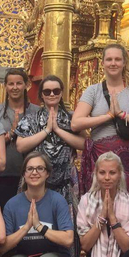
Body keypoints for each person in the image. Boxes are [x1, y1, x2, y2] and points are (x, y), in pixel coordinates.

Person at [73, 44, 129, 200]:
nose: (113, 63)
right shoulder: (93, 91)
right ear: (103, 63)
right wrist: (108, 116)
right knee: (99, 201)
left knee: (127, 201)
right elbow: (75, 123)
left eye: (117, 59)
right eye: (109, 59)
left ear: (124, 63)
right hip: (100, 156)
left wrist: (122, 115)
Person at [66, 152, 129, 257]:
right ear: (96, 174)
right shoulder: (86, 201)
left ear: (119, 174)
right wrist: (102, 217)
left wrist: (113, 218)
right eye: (102, 172)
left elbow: (126, 246)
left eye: (112, 173)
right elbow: (86, 245)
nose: (107, 177)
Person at [0, 151, 75, 257]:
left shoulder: (57, 200)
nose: (34, 172)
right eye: (30, 169)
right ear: (24, 174)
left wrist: (40, 227)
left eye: (40, 168)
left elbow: (68, 239)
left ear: (47, 173)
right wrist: (26, 227)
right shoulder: (12, 204)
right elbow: (3, 247)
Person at [15, 75, 85, 205]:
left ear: (61, 93)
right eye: (47, 91)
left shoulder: (72, 118)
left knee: (65, 220)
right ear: (41, 95)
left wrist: (58, 130)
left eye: (56, 91)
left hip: (66, 179)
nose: (52, 94)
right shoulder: (30, 118)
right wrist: (46, 130)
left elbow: (84, 144)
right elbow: (20, 146)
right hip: (35, 177)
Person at [0, 67, 36, 206]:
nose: (15, 87)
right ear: (5, 86)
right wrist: (11, 134)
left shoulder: (37, 111)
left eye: (19, 83)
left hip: (32, 175)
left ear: (26, 85)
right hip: (2, 175)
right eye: (11, 84)